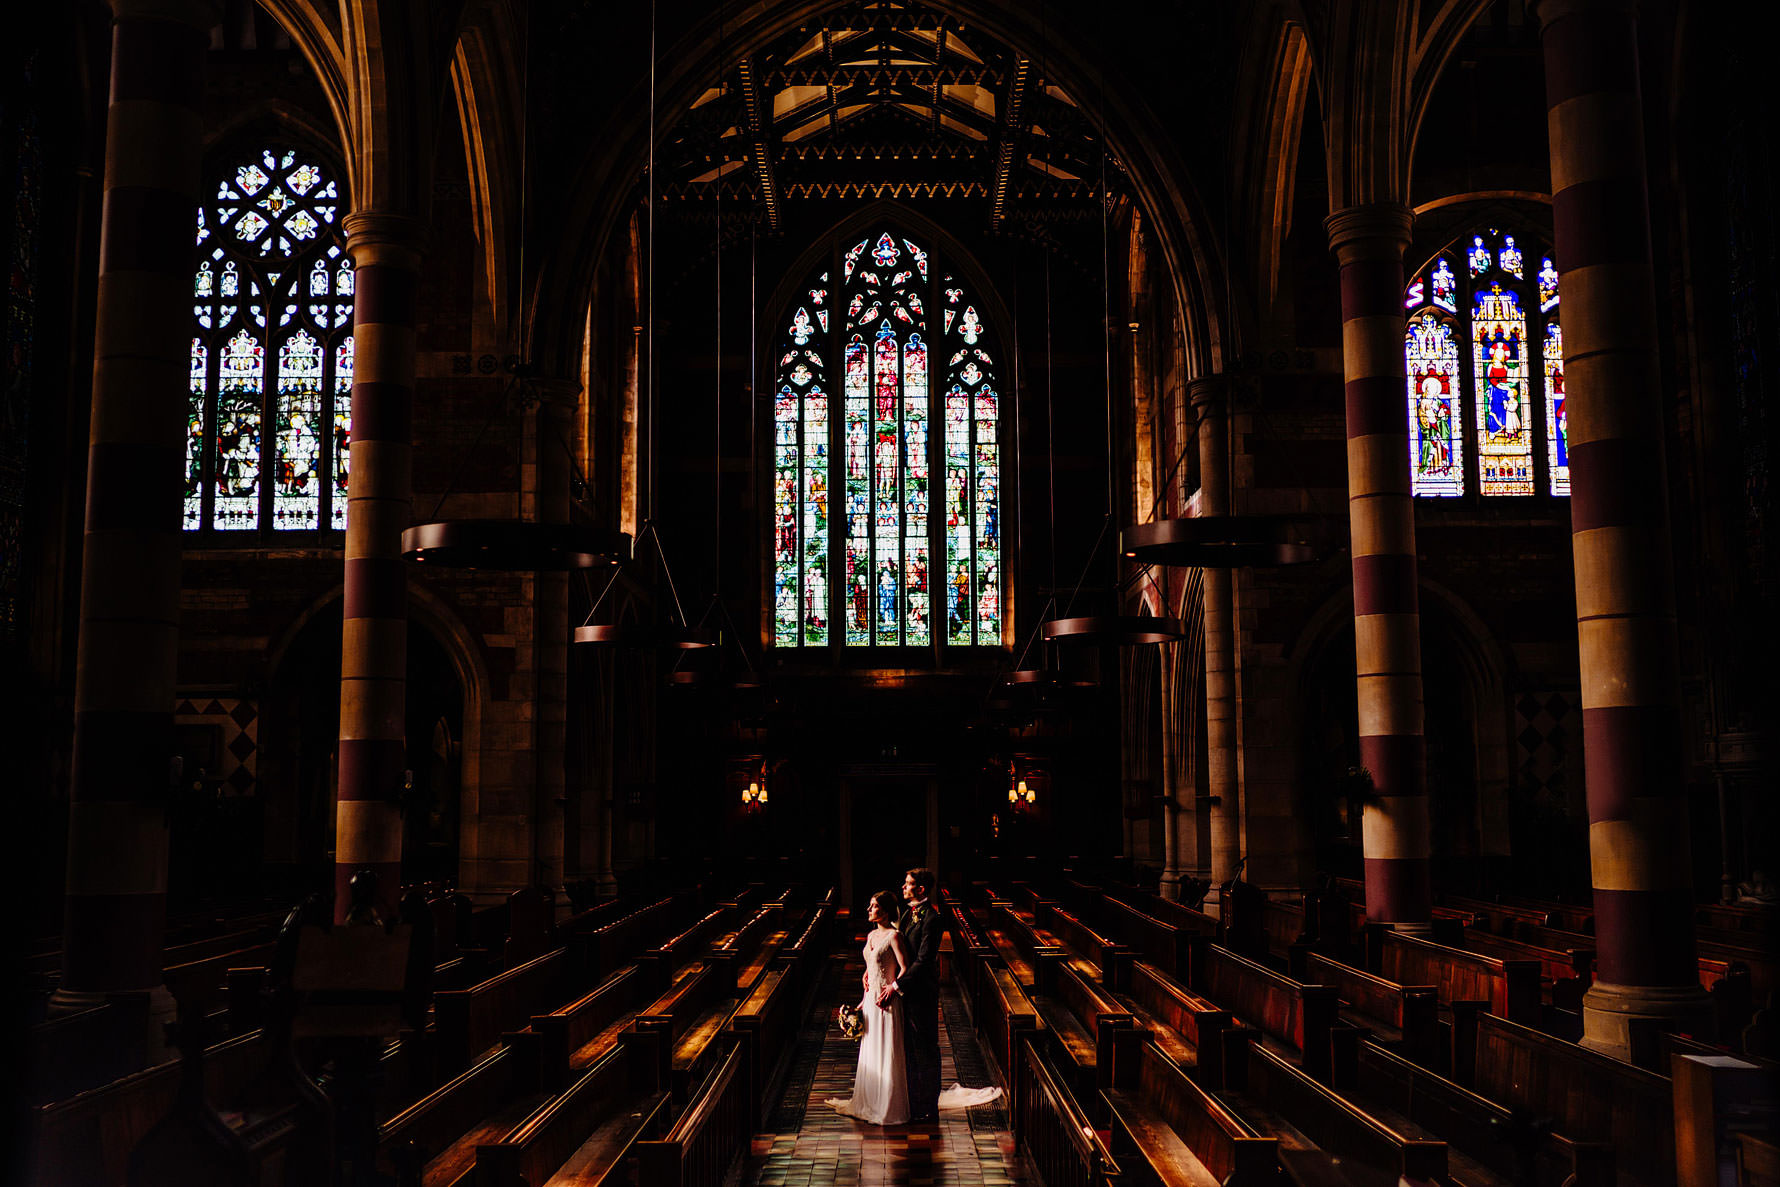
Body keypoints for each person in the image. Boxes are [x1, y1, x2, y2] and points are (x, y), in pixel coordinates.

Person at [825, 890, 911, 1125]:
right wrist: (865, 981)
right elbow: (873, 965)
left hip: (887, 1000)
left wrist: (892, 989)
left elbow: (905, 968)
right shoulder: (871, 935)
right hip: (871, 997)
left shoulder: (894, 936)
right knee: (871, 1049)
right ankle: (870, 1099)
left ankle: (888, 1105)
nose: (869, 909)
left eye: (873, 906)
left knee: (887, 1049)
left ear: (884, 911)